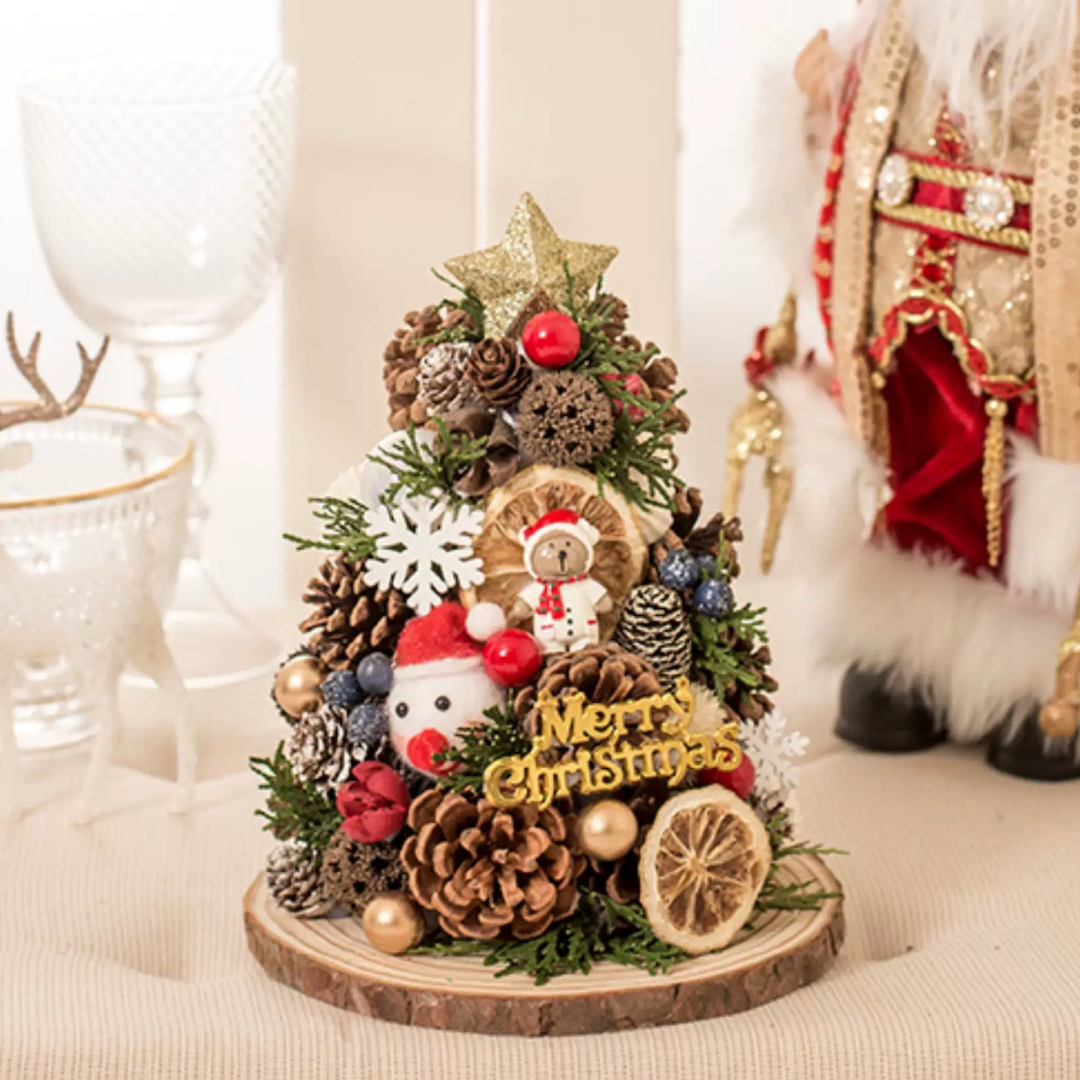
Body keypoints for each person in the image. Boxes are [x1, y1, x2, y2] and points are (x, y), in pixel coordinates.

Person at [739, 0, 1080, 780]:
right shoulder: (900, 24)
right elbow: (828, 177)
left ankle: (1045, 668)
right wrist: (818, 108)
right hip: (898, 296)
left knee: (1033, 482)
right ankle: (906, 648)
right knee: (913, 447)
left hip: (1050, 315)